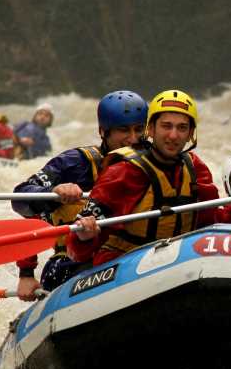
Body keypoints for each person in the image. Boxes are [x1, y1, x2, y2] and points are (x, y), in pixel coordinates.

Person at [13, 91, 148, 300]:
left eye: (138, 130)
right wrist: (53, 193)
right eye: (123, 130)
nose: (132, 139)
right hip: (72, 263)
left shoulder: (154, 164)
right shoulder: (75, 162)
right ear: (103, 131)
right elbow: (21, 199)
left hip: (132, 258)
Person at [67, 90, 221, 267]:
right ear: (151, 129)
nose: (173, 135)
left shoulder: (196, 168)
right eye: (166, 126)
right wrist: (85, 236)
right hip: (126, 262)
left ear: (190, 133)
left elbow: (213, 223)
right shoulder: (124, 171)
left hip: (176, 261)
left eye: (182, 128)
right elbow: (76, 250)